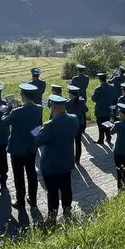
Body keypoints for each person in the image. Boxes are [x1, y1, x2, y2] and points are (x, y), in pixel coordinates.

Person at [35, 93, 79, 222]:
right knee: (66, 189)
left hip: (51, 165)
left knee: (52, 192)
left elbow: (38, 141)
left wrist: (37, 130)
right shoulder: (74, 118)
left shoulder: (49, 125)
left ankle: (52, 216)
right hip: (66, 161)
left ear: (53, 107)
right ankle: (67, 212)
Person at [3, 82, 42, 209]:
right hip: (31, 146)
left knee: (18, 176)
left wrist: (8, 110)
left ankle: (20, 202)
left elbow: (4, 121)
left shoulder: (16, 111)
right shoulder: (39, 108)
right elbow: (38, 127)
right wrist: (32, 137)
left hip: (17, 148)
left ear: (22, 95)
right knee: (31, 174)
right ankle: (33, 199)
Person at [91, 72, 116, 145]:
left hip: (100, 110)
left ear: (100, 80)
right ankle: (108, 138)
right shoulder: (111, 87)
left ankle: (101, 139)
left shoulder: (98, 89)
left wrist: (92, 95)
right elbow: (114, 97)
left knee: (100, 125)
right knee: (108, 124)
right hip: (108, 109)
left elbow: (94, 99)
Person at [66, 85, 88, 163]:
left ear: (71, 94)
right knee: (78, 142)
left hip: (71, 125)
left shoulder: (68, 103)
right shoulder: (81, 101)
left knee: (71, 142)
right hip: (80, 124)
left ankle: (72, 158)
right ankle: (78, 159)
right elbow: (86, 110)